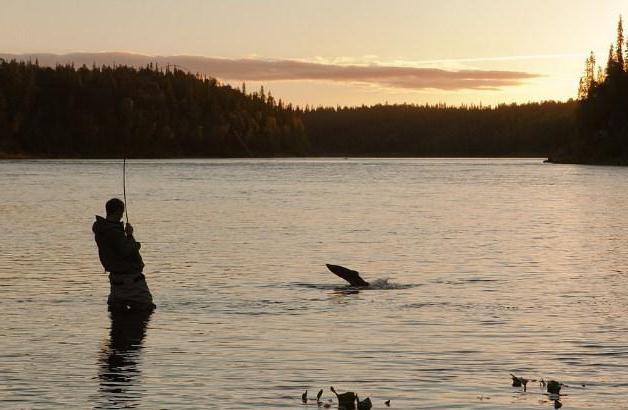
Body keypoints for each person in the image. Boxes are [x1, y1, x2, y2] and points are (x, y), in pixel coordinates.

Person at [92, 198, 155, 312]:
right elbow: (127, 252)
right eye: (122, 212)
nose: (122, 216)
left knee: (117, 317)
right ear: (118, 212)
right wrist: (130, 236)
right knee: (147, 309)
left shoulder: (102, 228)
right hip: (131, 282)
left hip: (116, 280)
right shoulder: (114, 232)